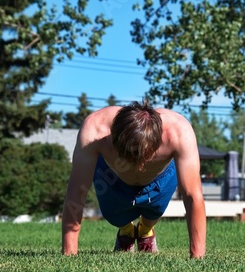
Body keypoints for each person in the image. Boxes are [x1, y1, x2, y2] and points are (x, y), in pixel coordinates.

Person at [61, 100, 206, 259]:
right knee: (115, 217)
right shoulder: (95, 130)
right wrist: (69, 255)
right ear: (115, 141)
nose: (140, 167)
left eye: (146, 158)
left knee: (154, 212)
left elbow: (192, 195)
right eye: (131, 158)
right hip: (112, 178)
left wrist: (197, 257)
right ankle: (127, 231)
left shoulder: (179, 132)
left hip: (161, 177)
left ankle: (145, 231)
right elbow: (76, 193)